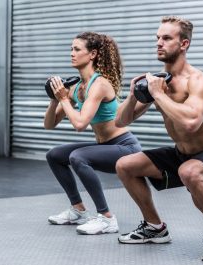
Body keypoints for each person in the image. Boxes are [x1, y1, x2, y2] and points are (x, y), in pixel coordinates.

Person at [115, 16, 203, 262]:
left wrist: (158, 95)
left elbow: (192, 123)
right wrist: (131, 96)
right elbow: (121, 121)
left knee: (189, 172)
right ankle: (155, 227)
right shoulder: (160, 82)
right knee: (125, 165)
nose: (159, 43)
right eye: (157, 38)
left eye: (166, 38)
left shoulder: (197, 80)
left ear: (184, 44)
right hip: (182, 154)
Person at [44, 32, 141, 235]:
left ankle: (107, 218)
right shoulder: (77, 87)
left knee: (78, 157)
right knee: (54, 155)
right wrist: (55, 99)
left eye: (77, 49)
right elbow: (49, 124)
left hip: (124, 147)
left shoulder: (100, 85)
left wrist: (63, 99)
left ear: (92, 54)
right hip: (105, 146)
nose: (71, 53)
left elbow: (79, 124)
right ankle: (78, 210)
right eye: (71, 49)